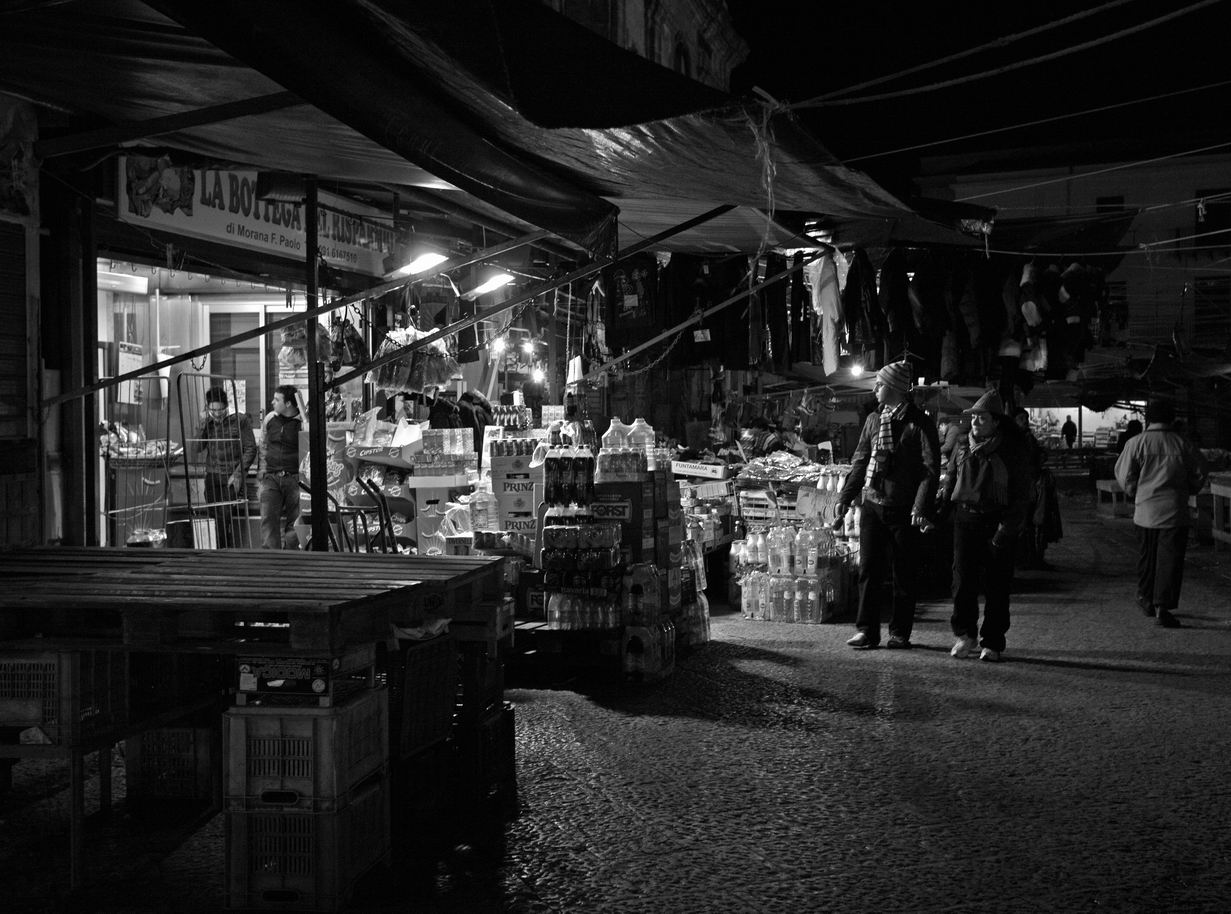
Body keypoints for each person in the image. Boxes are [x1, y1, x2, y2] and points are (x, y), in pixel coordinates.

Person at [833, 360, 940, 650]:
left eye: (879, 384)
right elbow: (860, 461)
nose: (875, 388)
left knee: (904, 572)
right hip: (872, 504)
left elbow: (931, 469)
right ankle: (866, 630)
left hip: (903, 507)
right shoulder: (872, 420)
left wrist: (920, 506)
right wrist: (844, 498)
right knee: (869, 569)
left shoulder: (919, 423)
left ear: (893, 387)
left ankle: (900, 632)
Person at [937, 390, 1032, 662]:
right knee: (962, 580)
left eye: (982, 417)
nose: (976, 421)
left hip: (997, 521)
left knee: (997, 584)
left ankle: (992, 641)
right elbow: (951, 479)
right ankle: (964, 635)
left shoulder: (1011, 450)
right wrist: (939, 511)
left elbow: (1020, 493)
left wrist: (1007, 528)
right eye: (974, 417)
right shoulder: (963, 445)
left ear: (996, 421)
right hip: (966, 519)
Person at [1114, 398, 1207, 628]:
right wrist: (1189, 489)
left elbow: (1123, 474)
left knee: (1147, 557)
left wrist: (1134, 490)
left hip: (1145, 511)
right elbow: (1200, 471)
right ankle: (1162, 607)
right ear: (1171, 418)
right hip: (1174, 511)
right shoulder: (1183, 444)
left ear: (1149, 418)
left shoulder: (1137, 443)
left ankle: (1145, 598)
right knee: (1170, 561)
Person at [193, 385, 257, 548]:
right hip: (212, 475)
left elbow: (250, 449)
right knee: (213, 517)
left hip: (231, 476)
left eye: (220, 410)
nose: (217, 414)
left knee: (224, 517)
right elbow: (196, 448)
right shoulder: (207, 423)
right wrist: (203, 424)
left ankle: (224, 550)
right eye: (212, 410)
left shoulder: (240, 420)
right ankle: (220, 549)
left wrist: (237, 474)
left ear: (226, 406)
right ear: (207, 408)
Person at [260, 385, 308, 550]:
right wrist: (261, 472)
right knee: (268, 518)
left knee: (295, 521)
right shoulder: (270, 419)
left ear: (288, 403)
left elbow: (308, 451)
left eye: (277, 399)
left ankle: (291, 556)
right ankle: (270, 557)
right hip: (271, 477)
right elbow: (263, 446)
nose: (272, 402)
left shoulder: (302, 423)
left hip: (295, 478)